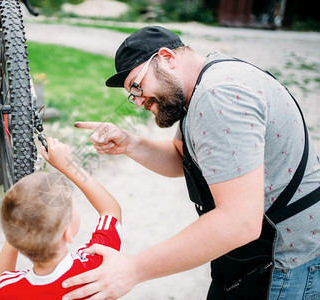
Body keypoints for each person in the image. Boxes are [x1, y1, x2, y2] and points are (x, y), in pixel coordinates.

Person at [60, 26, 320, 299]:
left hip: (287, 264)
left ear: (167, 58)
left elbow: (239, 222)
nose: (138, 102)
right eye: (132, 95)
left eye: (137, 86)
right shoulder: (202, 86)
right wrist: (130, 144)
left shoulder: (216, 94)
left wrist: (133, 269)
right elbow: (183, 159)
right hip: (258, 256)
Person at [0, 137, 122, 299]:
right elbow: (111, 210)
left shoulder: (7, 291)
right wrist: (68, 166)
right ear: (68, 233)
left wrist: (18, 228)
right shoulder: (96, 265)